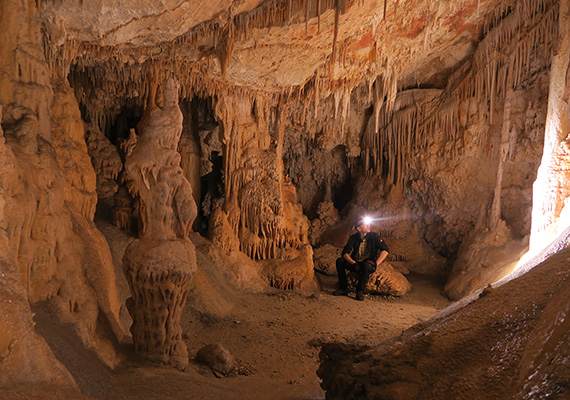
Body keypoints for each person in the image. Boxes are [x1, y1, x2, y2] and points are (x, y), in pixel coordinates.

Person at [333, 217, 390, 301]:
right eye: (365, 225)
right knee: (340, 261)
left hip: (368, 264)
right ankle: (343, 288)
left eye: (368, 224)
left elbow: (385, 250)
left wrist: (376, 263)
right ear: (359, 228)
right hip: (356, 264)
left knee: (366, 265)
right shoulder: (353, 238)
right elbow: (345, 253)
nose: (368, 225)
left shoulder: (374, 236)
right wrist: (353, 263)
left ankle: (359, 291)